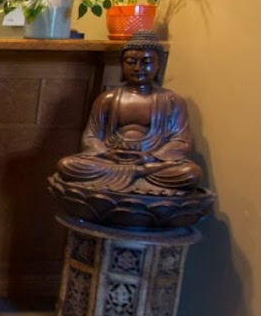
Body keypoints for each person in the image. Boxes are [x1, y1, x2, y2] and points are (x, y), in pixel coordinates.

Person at [52, 30, 203, 195]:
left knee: (190, 173)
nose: (138, 68)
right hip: (112, 161)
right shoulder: (107, 99)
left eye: (146, 62)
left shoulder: (172, 101)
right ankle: (137, 180)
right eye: (130, 61)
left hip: (152, 165)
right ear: (122, 65)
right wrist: (107, 153)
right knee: (67, 165)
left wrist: (150, 157)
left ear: (159, 64)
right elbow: (90, 137)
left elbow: (181, 141)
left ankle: (137, 177)